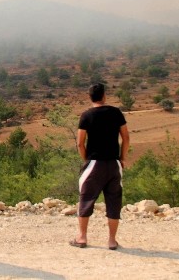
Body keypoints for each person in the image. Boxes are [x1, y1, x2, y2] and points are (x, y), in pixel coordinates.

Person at [70, 83, 130, 250]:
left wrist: (87, 160)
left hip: (93, 164)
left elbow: (80, 143)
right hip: (113, 163)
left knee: (86, 198)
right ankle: (111, 240)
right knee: (114, 201)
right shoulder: (116, 113)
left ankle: (82, 238)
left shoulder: (86, 116)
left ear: (90, 97)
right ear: (104, 96)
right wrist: (122, 158)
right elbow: (126, 137)